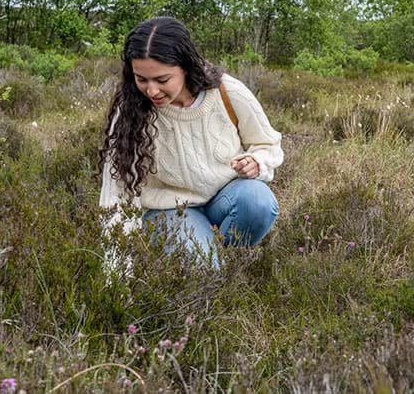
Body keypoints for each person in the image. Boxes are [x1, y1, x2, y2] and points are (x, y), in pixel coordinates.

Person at [98, 17, 282, 264]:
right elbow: (116, 195)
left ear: (185, 66)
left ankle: (226, 261)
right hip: (169, 210)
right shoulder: (130, 110)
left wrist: (257, 161)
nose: (151, 91)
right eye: (141, 79)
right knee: (203, 270)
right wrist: (118, 270)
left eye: (162, 80)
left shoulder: (228, 92)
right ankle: (206, 263)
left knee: (258, 201)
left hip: (225, 199)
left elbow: (268, 144)